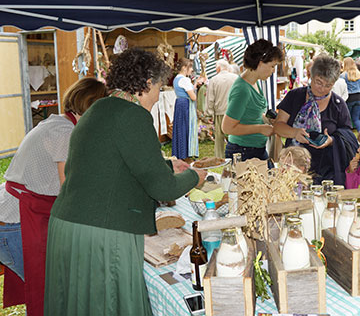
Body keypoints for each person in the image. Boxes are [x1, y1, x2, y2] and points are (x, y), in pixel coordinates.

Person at [44, 49, 207, 316]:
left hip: (70, 226)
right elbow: (164, 189)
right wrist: (193, 176)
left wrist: (168, 165)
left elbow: (112, 164)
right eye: (158, 87)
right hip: (101, 233)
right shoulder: (133, 115)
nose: (158, 96)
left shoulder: (99, 109)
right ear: (146, 84)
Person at [1, 78, 106, 315]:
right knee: (51, 295)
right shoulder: (64, 133)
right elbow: (70, 189)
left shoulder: (61, 124)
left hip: (20, 213)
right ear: (93, 107)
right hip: (16, 221)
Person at [273, 55, 357, 185]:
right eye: (319, 82)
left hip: (326, 170)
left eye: (328, 85)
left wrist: (331, 141)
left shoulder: (338, 105)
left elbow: (347, 137)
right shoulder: (294, 96)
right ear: (311, 76)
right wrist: (294, 133)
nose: (322, 88)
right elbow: (278, 126)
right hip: (293, 167)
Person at [222, 39, 283, 161]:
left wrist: (266, 119)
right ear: (260, 63)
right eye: (272, 66)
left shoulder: (254, 83)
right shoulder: (242, 90)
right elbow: (227, 128)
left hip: (254, 149)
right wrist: (260, 128)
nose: (273, 71)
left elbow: (250, 114)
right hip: (243, 151)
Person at [206, 59, 239, 158]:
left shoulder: (214, 80)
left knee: (219, 137)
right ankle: (236, 155)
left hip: (220, 111)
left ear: (219, 68)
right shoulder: (236, 78)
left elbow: (210, 98)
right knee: (234, 135)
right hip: (234, 111)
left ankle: (219, 158)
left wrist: (209, 113)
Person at [172, 58, 202, 159]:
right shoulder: (184, 80)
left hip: (179, 103)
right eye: (190, 67)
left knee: (180, 128)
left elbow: (186, 91)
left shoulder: (177, 78)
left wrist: (195, 84)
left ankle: (180, 152)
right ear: (184, 68)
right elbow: (193, 97)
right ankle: (186, 154)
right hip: (185, 106)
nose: (192, 70)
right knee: (186, 128)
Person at [341, 57, 360, 130]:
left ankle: (348, 135)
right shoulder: (359, 74)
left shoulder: (343, 75)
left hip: (349, 97)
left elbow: (343, 87)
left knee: (347, 119)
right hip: (358, 97)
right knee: (356, 119)